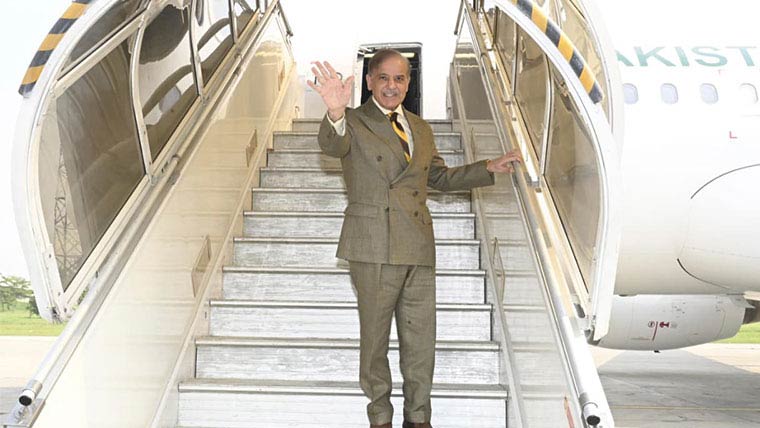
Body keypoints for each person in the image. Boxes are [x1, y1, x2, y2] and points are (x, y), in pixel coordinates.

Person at [307, 49, 521, 428]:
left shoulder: (420, 128)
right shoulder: (353, 121)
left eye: (400, 78)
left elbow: (437, 178)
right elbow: (332, 145)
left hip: (418, 246)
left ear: (408, 83)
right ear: (370, 81)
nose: (392, 86)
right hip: (373, 245)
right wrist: (336, 111)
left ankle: (419, 417)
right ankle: (380, 417)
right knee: (375, 341)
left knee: (421, 341)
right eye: (384, 78)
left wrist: (487, 167)